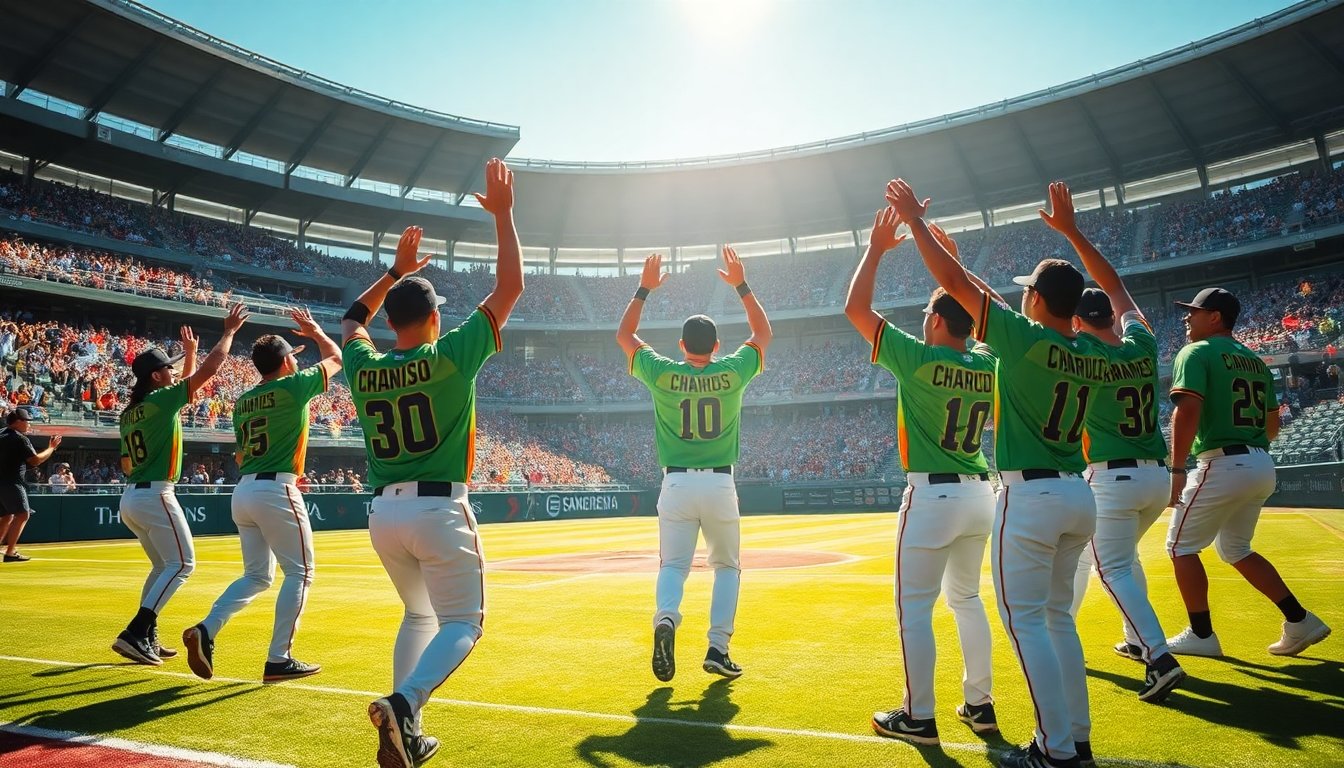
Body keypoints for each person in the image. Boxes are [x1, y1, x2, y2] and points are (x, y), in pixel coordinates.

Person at [889, 177, 1105, 768]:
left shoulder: (1021, 338)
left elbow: (961, 290)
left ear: (1035, 299)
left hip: (1030, 495)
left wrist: (914, 225)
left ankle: (1055, 750)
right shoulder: (1090, 348)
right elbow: (970, 290)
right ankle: (1077, 740)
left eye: (1027, 293)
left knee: (1028, 623)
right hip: (1080, 492)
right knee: (1059, 621)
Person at [343, 158, 521, 768]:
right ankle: (405, 703)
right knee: (464, 623)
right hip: (440, 507)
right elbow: (509, 291)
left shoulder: (364, 365)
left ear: (391, 322)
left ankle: (403, 733)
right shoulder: (450, 354)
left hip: (383, 516)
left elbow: (350, 320)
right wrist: (504, 217)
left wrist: (393, 270)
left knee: (419, 613)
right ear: (435, 317)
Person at [845, 209, 998, 745]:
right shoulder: (987, 360)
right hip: (983, 493)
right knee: (969, 601)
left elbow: (855, 308)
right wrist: (951, 267)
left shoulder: (915, 357)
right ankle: (980, 705)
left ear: (935, 321)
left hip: (933, 495)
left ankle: (919, 715)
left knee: (916, 606)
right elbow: (982, 313)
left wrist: (877, 248)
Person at [1038, 183, 1187, 704]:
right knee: (1122, 560)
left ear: (1078, 321)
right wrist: (1074, 232)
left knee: (1112, 566)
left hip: (1112, 477)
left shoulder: (1081, 354)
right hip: (1154, 473)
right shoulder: (1142, 344)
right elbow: (1116, 285)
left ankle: (1159, 656)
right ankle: (1134, 638)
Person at [616, 245, 772, 683]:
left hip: (676, 485)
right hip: (721, 485)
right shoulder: (735, 370)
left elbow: (625, 336)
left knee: (673, 565)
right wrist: (741, 284)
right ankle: (718, 648)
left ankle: (666, 619)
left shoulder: (662, 370)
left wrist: (644, 290)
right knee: (726, 567)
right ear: (718, 345)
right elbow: (763, 333)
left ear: (682, 345)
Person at [1165, 287, 1331, 658]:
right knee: (1236, 548)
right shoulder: (1254, 361)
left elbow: (1186, 411)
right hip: (1258, 459)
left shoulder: (1195, 351)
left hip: (1222, 462)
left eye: (1194, 311)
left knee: (1180, 547)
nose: (1186, 317)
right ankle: (1300, 619)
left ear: (1215, 317)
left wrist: (1176, 468)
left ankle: (1201, 634)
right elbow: (1272, 425)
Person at [184, 308, 342, 683]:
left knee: (257, 575)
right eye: (292, 357)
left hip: (245, 487)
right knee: (300, 572)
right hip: (276, 487)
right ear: (286, 360)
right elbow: (337, 357)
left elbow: (239, 454)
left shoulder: (242, 401)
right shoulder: (293, 385)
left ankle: (207, 628)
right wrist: (317, 331)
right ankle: (278, 658)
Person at [113, 310, 248, 666]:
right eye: (168, 369)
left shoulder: (132, 410)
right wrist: (229, 333)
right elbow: (209, 372)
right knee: (184, 564)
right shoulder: (160, 400)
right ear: (156, 376)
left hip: (132, 495)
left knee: (162, 568)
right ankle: (136, 631)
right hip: (156, 493)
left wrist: (188, 354)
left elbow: (185, 384)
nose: (172, 373)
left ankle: (148, 636)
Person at [0, 408, 60, 562]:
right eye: (26, 421)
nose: (28, 425)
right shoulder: (20, 438)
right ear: (18, 421)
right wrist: (51, 447)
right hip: (12, 482)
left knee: (6, 516)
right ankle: (10, 552)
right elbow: (35, 461)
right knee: (22, 514)